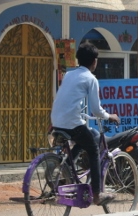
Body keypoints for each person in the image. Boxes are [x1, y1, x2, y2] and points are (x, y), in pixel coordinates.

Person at [50, 42, 120, 206]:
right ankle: (97, 194)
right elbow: (96, 110)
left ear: (78, 59)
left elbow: (68, 99)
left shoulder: (68, 74)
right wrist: (110, 116)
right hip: (71, 123)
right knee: (94, 149)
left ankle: (65, 170)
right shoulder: (91, 79)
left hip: (57, 120)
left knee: (83, 139)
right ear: (94, 61)